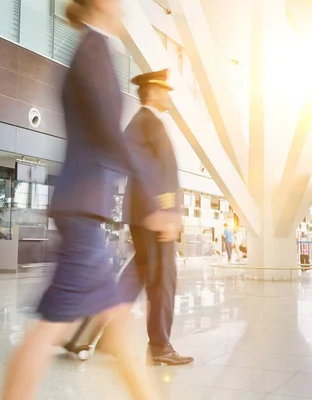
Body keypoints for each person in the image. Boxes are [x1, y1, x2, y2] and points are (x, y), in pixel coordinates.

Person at [1, 1, 170, 399]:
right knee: (52, 326)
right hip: (82, 207)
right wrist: (156, 202)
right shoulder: (93, 51)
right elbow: (111, 135)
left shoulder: (93, 49)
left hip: (83, 205)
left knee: (113, 320)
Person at [109, 69, 193, 366]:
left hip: (148, 213)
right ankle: (160, 346)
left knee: (143, 274)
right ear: (154, 92)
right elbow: (150, 170)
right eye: (166, 91)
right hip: (153, 215)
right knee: (163, 280)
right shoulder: (146, 122)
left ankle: (102, 331)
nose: (169, 95)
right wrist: (165, 210)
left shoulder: (144, 123)